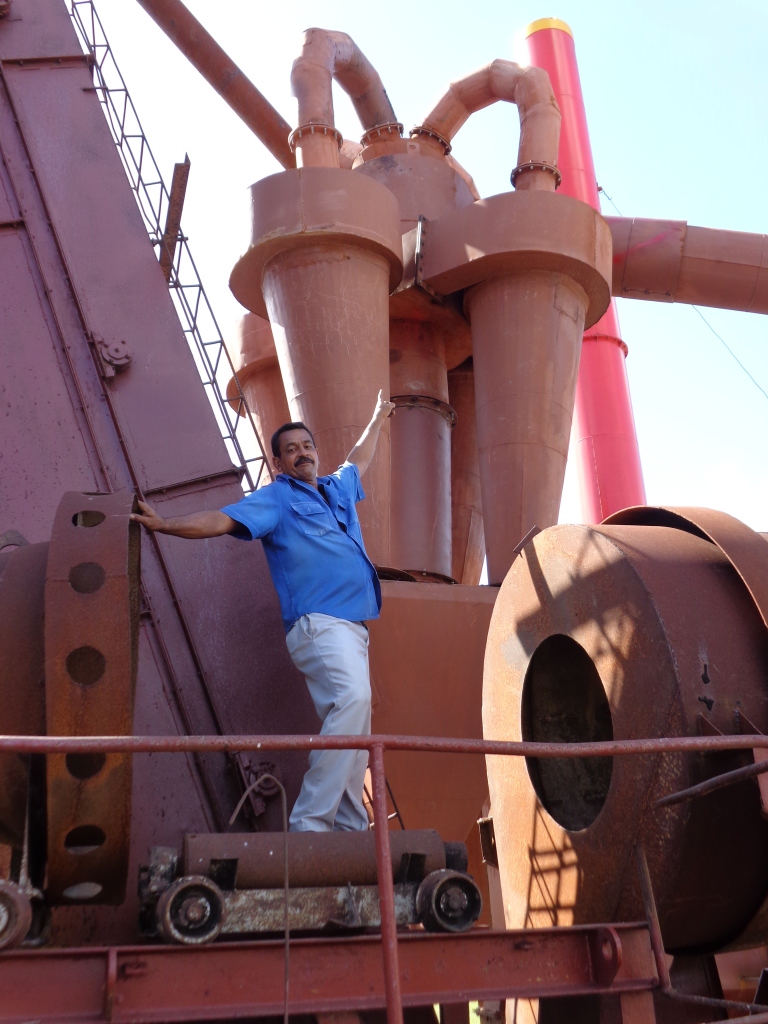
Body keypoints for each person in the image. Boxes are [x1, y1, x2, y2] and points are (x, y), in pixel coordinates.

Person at [130, 391, 395, 832]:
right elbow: (221, 519)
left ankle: (349, 828)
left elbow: (358, 458)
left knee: (354, 729)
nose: (301, 454)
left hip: (353, 628)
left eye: (306, 446)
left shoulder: (336, 489)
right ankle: (311, 822)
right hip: (319, 624)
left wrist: (376, 418)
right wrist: (166, 525)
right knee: (354, 701)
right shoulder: (276, 500)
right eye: (290, 450)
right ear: (279, 463)